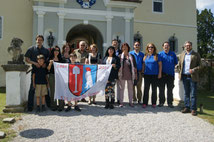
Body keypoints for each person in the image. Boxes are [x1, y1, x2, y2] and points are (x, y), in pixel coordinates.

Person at [25, 35, 50, 111]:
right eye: (38, 40)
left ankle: (47, 105)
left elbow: (48, 59)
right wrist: (35, 63)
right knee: (32, 88)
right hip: (35, 71)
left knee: (45, 89)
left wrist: (45, 63)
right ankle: (30, 107)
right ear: (36, 40)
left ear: (43, 41)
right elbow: (27, 59)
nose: (39, 41)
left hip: (43, 71)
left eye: (41, 40)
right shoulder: (31, 49)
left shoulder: (46, 50)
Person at [178, 41, 201, 116]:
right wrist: (179, 71)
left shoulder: (196, 54)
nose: (187, 47)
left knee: (193, 94)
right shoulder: (182, 54)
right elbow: (180, 65)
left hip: (192, 77)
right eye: (186, 46)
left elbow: (200, 65)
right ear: (184, 46)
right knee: (186, 93)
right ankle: (187, 107)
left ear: (191, 46)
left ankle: (193, 109)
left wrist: (193, 70)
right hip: (184, 76)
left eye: (189, 45)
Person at [158, 42, 178, 108]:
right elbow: (158, 64)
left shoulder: (173, 54)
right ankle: (161, 102)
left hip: (170, 75)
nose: (166, 47)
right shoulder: (160, 54)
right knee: (161, 89)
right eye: (165, 46)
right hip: (162, 74)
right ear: (163, 47)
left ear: (169, 47)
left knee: (170, 89)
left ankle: (170, 103)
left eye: (167, 46)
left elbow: (175, 63)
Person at [142, 43, 162, 108]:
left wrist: (159, 73)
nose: (150, 48)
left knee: (154, 89)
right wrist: (142, 72)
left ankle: (154, 103)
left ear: (154, 48)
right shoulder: (145, 56)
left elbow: (160, 65)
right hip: (147, 75)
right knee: (146, 89)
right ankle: (145, 103)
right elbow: (144, 65)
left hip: (154, 75)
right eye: (149, 47)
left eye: (152, 47)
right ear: (147, 48)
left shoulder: (156, 56)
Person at [118, 43, 137, 107]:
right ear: (122, 48)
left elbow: (134, 66)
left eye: (126, 47)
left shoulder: (131, 56)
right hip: (122, 74)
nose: (124, 48)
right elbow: (118, 65)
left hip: (130, 75)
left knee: (130, 89)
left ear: (128, 48)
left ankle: (131, 102)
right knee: (121, 89)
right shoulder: (120, 56)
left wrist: (135, 74)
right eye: (123, 47)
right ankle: (121, 102)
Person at [47, 46, 64, 111]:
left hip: (60, 77)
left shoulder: (61, 59)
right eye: (55, 50)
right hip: (52, 76)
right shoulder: (49, 58)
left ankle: (61, 106)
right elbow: (48, 69)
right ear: (53, 51)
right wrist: (50, 63)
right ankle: (53, 105)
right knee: (52, 91)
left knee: (60, 91)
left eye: (58, 50)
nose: (56, 52)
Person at [112, 39, 122, 104]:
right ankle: (112, 98)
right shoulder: (110, 51)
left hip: (119, 70)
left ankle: (118, 99)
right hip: (112, 71)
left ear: (118, 44)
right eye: (114, 43)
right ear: (112, 44)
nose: (115, 44)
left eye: (116, 43)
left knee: (119, 86)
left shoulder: (121, 52)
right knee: (112, 85)